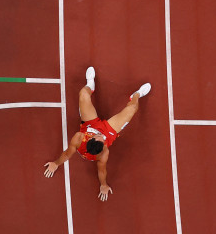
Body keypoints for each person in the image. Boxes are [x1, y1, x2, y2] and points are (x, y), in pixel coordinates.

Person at [44, 67, 151, 202]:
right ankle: (136, 95)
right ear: (103, 147)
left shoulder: (79, 138)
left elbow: (66, 154)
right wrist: (103, 185)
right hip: (108, 130)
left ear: (91, 138)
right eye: (102, 140)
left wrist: (56, 163)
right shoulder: (103, 153)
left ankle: (90, 84)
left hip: (90, 124)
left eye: (98, 137)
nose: (101, 137)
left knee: (83, 94)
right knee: (133, 108)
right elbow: (102, 171)